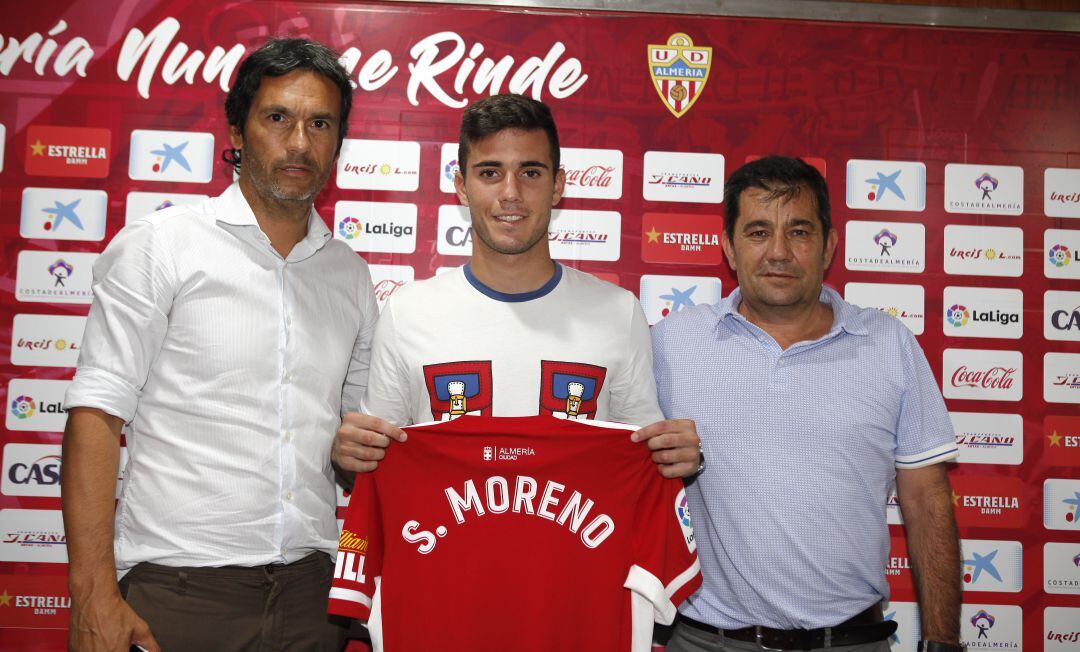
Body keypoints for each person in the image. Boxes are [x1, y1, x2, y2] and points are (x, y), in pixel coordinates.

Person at [61, 38, 377, 652]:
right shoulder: (162, 246)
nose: (299, 143)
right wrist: (93, 591)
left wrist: (352, 446)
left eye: (320, 123)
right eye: (277, 118)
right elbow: (96, 415)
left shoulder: (351, 276)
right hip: (176, 595)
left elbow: (352, 448)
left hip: (315, 597)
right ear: (238, 128)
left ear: (338, 141)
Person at [652, 156, 962, 652]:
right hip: (707, 639)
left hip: (851, 641)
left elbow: (927, 500)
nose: (779, 252)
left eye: (798, 232)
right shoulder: (673, 343)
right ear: (729, 247)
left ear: (829, 246)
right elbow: (617, 470)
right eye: (757, 232)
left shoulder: (888, 344)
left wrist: (944, 641)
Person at [331, 93, 701, 484]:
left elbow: (643, 466)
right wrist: (352, 455)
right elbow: (376, 470)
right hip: (448, 546)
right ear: (461, 186)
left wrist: (677, 455)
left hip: (577, 547)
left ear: (557, 185)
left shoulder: (617, 311)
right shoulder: (407, 311)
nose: (511, 193)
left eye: (530, 173)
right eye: (490, 172)